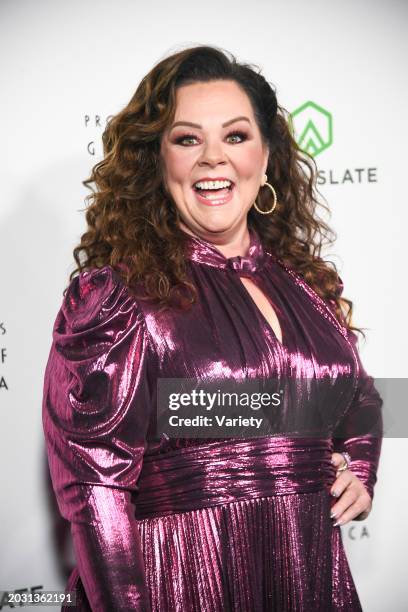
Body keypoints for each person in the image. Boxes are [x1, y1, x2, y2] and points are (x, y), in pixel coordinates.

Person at [42, 45, 383, 611]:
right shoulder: (119, 296)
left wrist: (360, 466)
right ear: (158, 160)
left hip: (307, 569)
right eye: (187, 139)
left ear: (267, 154)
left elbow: (359, 396)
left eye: (235, 136)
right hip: (181, 574)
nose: (212, 159)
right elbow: (94, 487)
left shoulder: (305, 285)